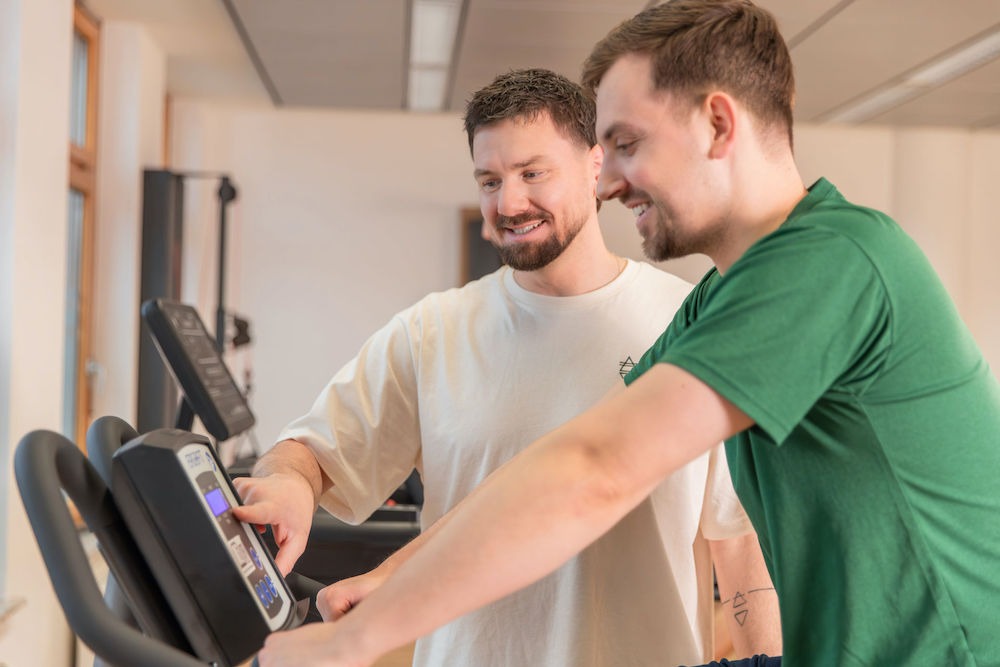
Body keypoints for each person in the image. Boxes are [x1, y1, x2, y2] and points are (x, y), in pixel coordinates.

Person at [250, 2, 1000, 665]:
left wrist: (357, 643)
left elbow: (597, 469)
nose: (610, 181)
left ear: (718, 124)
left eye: (629, 144)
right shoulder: (720, 302)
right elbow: (558, 461)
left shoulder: (828, 263)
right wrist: (389, 582)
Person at [235, 67, 781, 667]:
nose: (509, 203)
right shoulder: (431, 332)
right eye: (490, 180)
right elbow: (309, 450)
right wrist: (290, 484)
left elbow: (740, 541)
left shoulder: (686, 323)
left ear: (595, 166)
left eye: (532, 173)